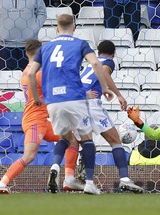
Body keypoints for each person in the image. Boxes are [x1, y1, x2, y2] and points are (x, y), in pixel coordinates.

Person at [28, 14, 113, 195]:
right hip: (75, 98)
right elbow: (96, 63)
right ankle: (89, 183)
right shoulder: (80, 43)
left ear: (56, 29)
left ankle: (55, 167)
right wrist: (104, 87)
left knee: (65, 139)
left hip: (53, 102)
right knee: (86, 139)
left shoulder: (45, 48)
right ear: (74, 27)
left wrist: (36, 97)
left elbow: (30, 74)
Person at [62, 40, 144, 193]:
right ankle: (124, 179)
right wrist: (118, 95)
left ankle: (85, 181)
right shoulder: (108, 62)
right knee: (114, 140)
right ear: (113, 54)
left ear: (98, 52)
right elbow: (105, 73)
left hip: (76, 102)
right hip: (91, 103)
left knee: (85, 142)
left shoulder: (88, 64)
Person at [0, 40, 60, 194]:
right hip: (35, 122)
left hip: (41, 121)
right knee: (29, 156)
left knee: (71, 138)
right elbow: (54, 93)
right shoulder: (38, 74)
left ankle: (70, 176)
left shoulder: (27, 71)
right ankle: (2, 183)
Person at [0, 0, 46, 70]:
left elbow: (42, 13)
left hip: (29, 46)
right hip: (4, 46)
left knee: (29, 78)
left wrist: (33, 29)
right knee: (8, 79)